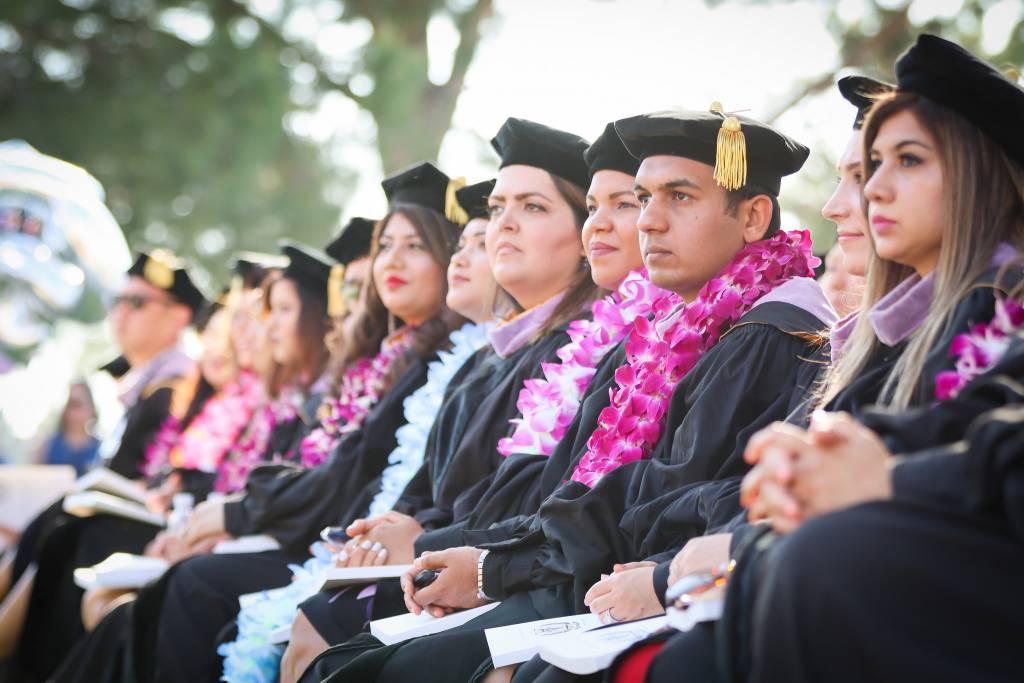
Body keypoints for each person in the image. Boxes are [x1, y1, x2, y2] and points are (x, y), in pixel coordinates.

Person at [301, 106, 833, 683]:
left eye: (678, 197)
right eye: (644, 198)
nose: (647, 223)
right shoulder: (667, 333)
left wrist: (493, 570)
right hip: (580, 582)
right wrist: (489, 564)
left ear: (754, 216)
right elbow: (587, 492)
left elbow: (652, 507)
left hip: (648, 596)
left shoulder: (767, 335)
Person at [0, 250, 205, 682]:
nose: (121, 314)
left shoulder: (175, 387)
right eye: (119, 301)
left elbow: (146, 477)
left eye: (137, 303)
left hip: (154, 523)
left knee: (71, 532)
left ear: (177, 317)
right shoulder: (146, 382)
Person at [37, 382, 100, 476]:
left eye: (77, 405)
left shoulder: (100, 450)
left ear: (91, 409)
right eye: (69, 405)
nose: (72, 412)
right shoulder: (47, 446)